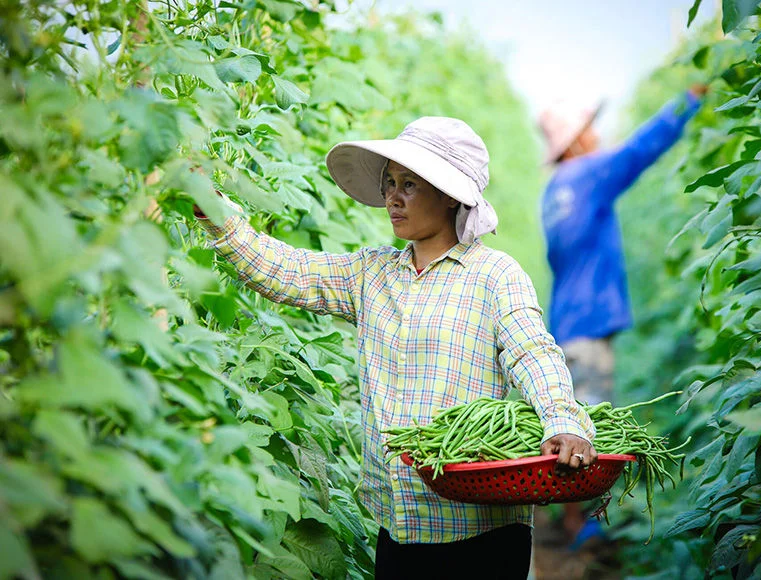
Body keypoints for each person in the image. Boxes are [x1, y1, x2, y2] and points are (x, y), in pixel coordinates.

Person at [193, 116, 597, 579]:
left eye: (409, 184)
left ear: (449, 195)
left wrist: (563, 421)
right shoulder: (373, 273)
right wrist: (213, 211)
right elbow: (289, 272)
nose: (392, 197)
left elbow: (533, 353)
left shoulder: (495, 275)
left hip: (479, 528)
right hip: (399, 523)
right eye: (389, 183)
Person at [537, 84, 708, 551]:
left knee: (571, 416)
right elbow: (638, 152)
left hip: (566, 323)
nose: (597, 136)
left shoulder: (554, 191)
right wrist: (686, 101)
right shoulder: (588, 174)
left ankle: (572, 519)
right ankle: (587, 529)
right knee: (589, 424)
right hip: (590, 325)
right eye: (589, 128)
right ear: (574, 140)